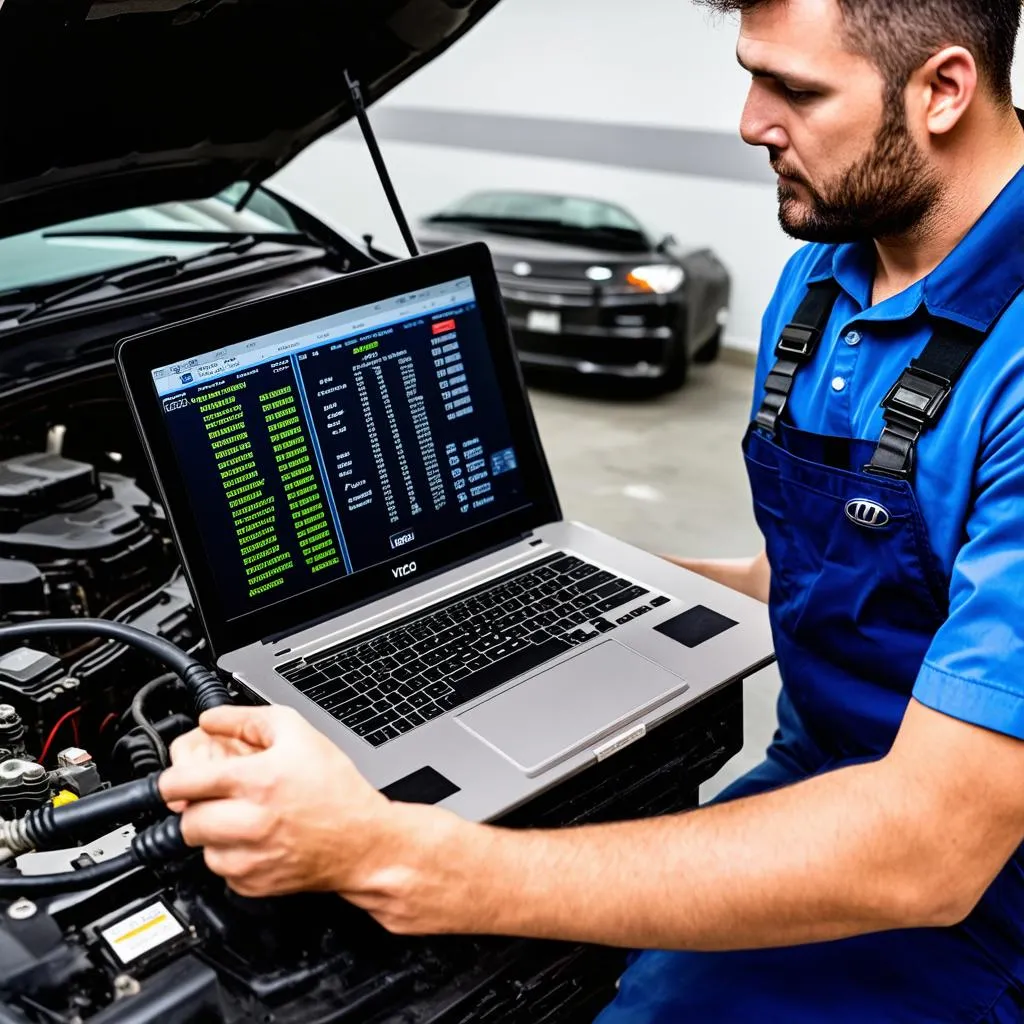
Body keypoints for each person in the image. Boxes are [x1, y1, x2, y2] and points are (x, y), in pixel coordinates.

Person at [159, 0, 1024, 1018]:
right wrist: (574, 579)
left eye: (793, 88)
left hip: (968, 901)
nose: (750, 120)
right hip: (809, 778)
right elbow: (796, 579)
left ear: (944, 90)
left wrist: (399, 857)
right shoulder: (819, 280)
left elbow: (930, 849)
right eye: (750, 74)